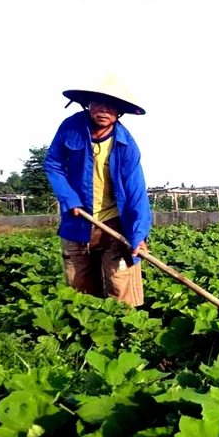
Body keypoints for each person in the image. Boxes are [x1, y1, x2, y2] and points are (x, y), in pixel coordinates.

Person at [44, 74, 152, 307]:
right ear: (88, 104)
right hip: (77, 222)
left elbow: (136, 192)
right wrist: (69, 198)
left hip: (113, 224)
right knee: (79, 289)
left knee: (121, 288)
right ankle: (86, 334)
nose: (104, 110)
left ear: (119, 111)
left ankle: (125, 335)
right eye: (98, 103)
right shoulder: (70, 128)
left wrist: (138, 234)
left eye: (111, 106)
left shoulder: (126, 145)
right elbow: (52, 163)